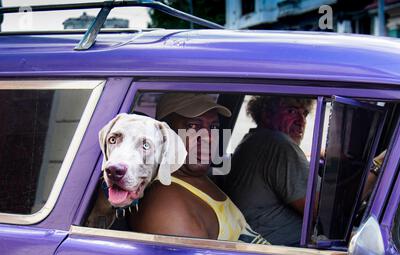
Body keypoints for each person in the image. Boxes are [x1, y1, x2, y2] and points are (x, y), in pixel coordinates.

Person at [129, 93, 269, 245]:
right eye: (193, 126)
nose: (209, 137)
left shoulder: (196, 178)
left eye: (213, 126)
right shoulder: (167, 205)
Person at [225, 96, 314, 246]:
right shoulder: (279, 145)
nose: (301, 121)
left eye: (304, 114)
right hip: (286, 252)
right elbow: (325, 215)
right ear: (267, 114)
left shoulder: (255, 140)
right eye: (291, 111)